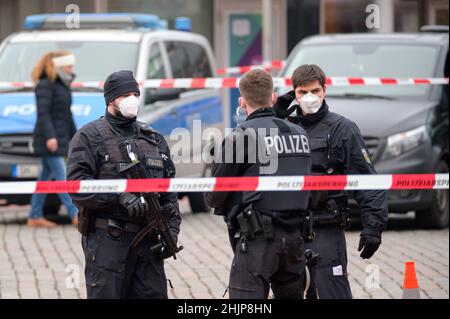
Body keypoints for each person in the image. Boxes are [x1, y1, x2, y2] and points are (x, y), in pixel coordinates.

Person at [273, 64, 388, 299]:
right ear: (293, 94)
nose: (309, 97)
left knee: (331, 292)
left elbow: (366, 179)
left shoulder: (342, 128)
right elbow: (251, 144)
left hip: (325, 227)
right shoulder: (284, 127)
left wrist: (373, 226)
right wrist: (274, 113)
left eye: (315, 91)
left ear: (324, 90)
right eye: (302, 92)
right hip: (289, 227)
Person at [66, 70, 182, 299]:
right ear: (111, 100)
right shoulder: (88, 137)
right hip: (108, 242)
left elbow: (169, 192)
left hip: (148, 244)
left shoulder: (154, 138)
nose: (133, 100)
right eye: (126, 94)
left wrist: (172, 231)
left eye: (135, 94)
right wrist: (118, 195)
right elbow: (77, 186)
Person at [205, 69, 312, 299]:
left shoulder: (240, 137)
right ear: (273, 97)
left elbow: (215, 196)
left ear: (242, 102)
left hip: (257, 243)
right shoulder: (299, 134)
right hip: (295, 241)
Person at [27, 51, 78, 228]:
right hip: (48, 140)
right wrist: (50, 137)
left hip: (60, 138)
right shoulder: (44, 84)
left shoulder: (62, 85)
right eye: (69, 66)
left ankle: (34, 215)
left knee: (44, 179)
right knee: (63, 177)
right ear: (59, 66)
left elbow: (66, 114)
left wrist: (75, 136)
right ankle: (76, 214)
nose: (72, 69)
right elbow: (43, 114)